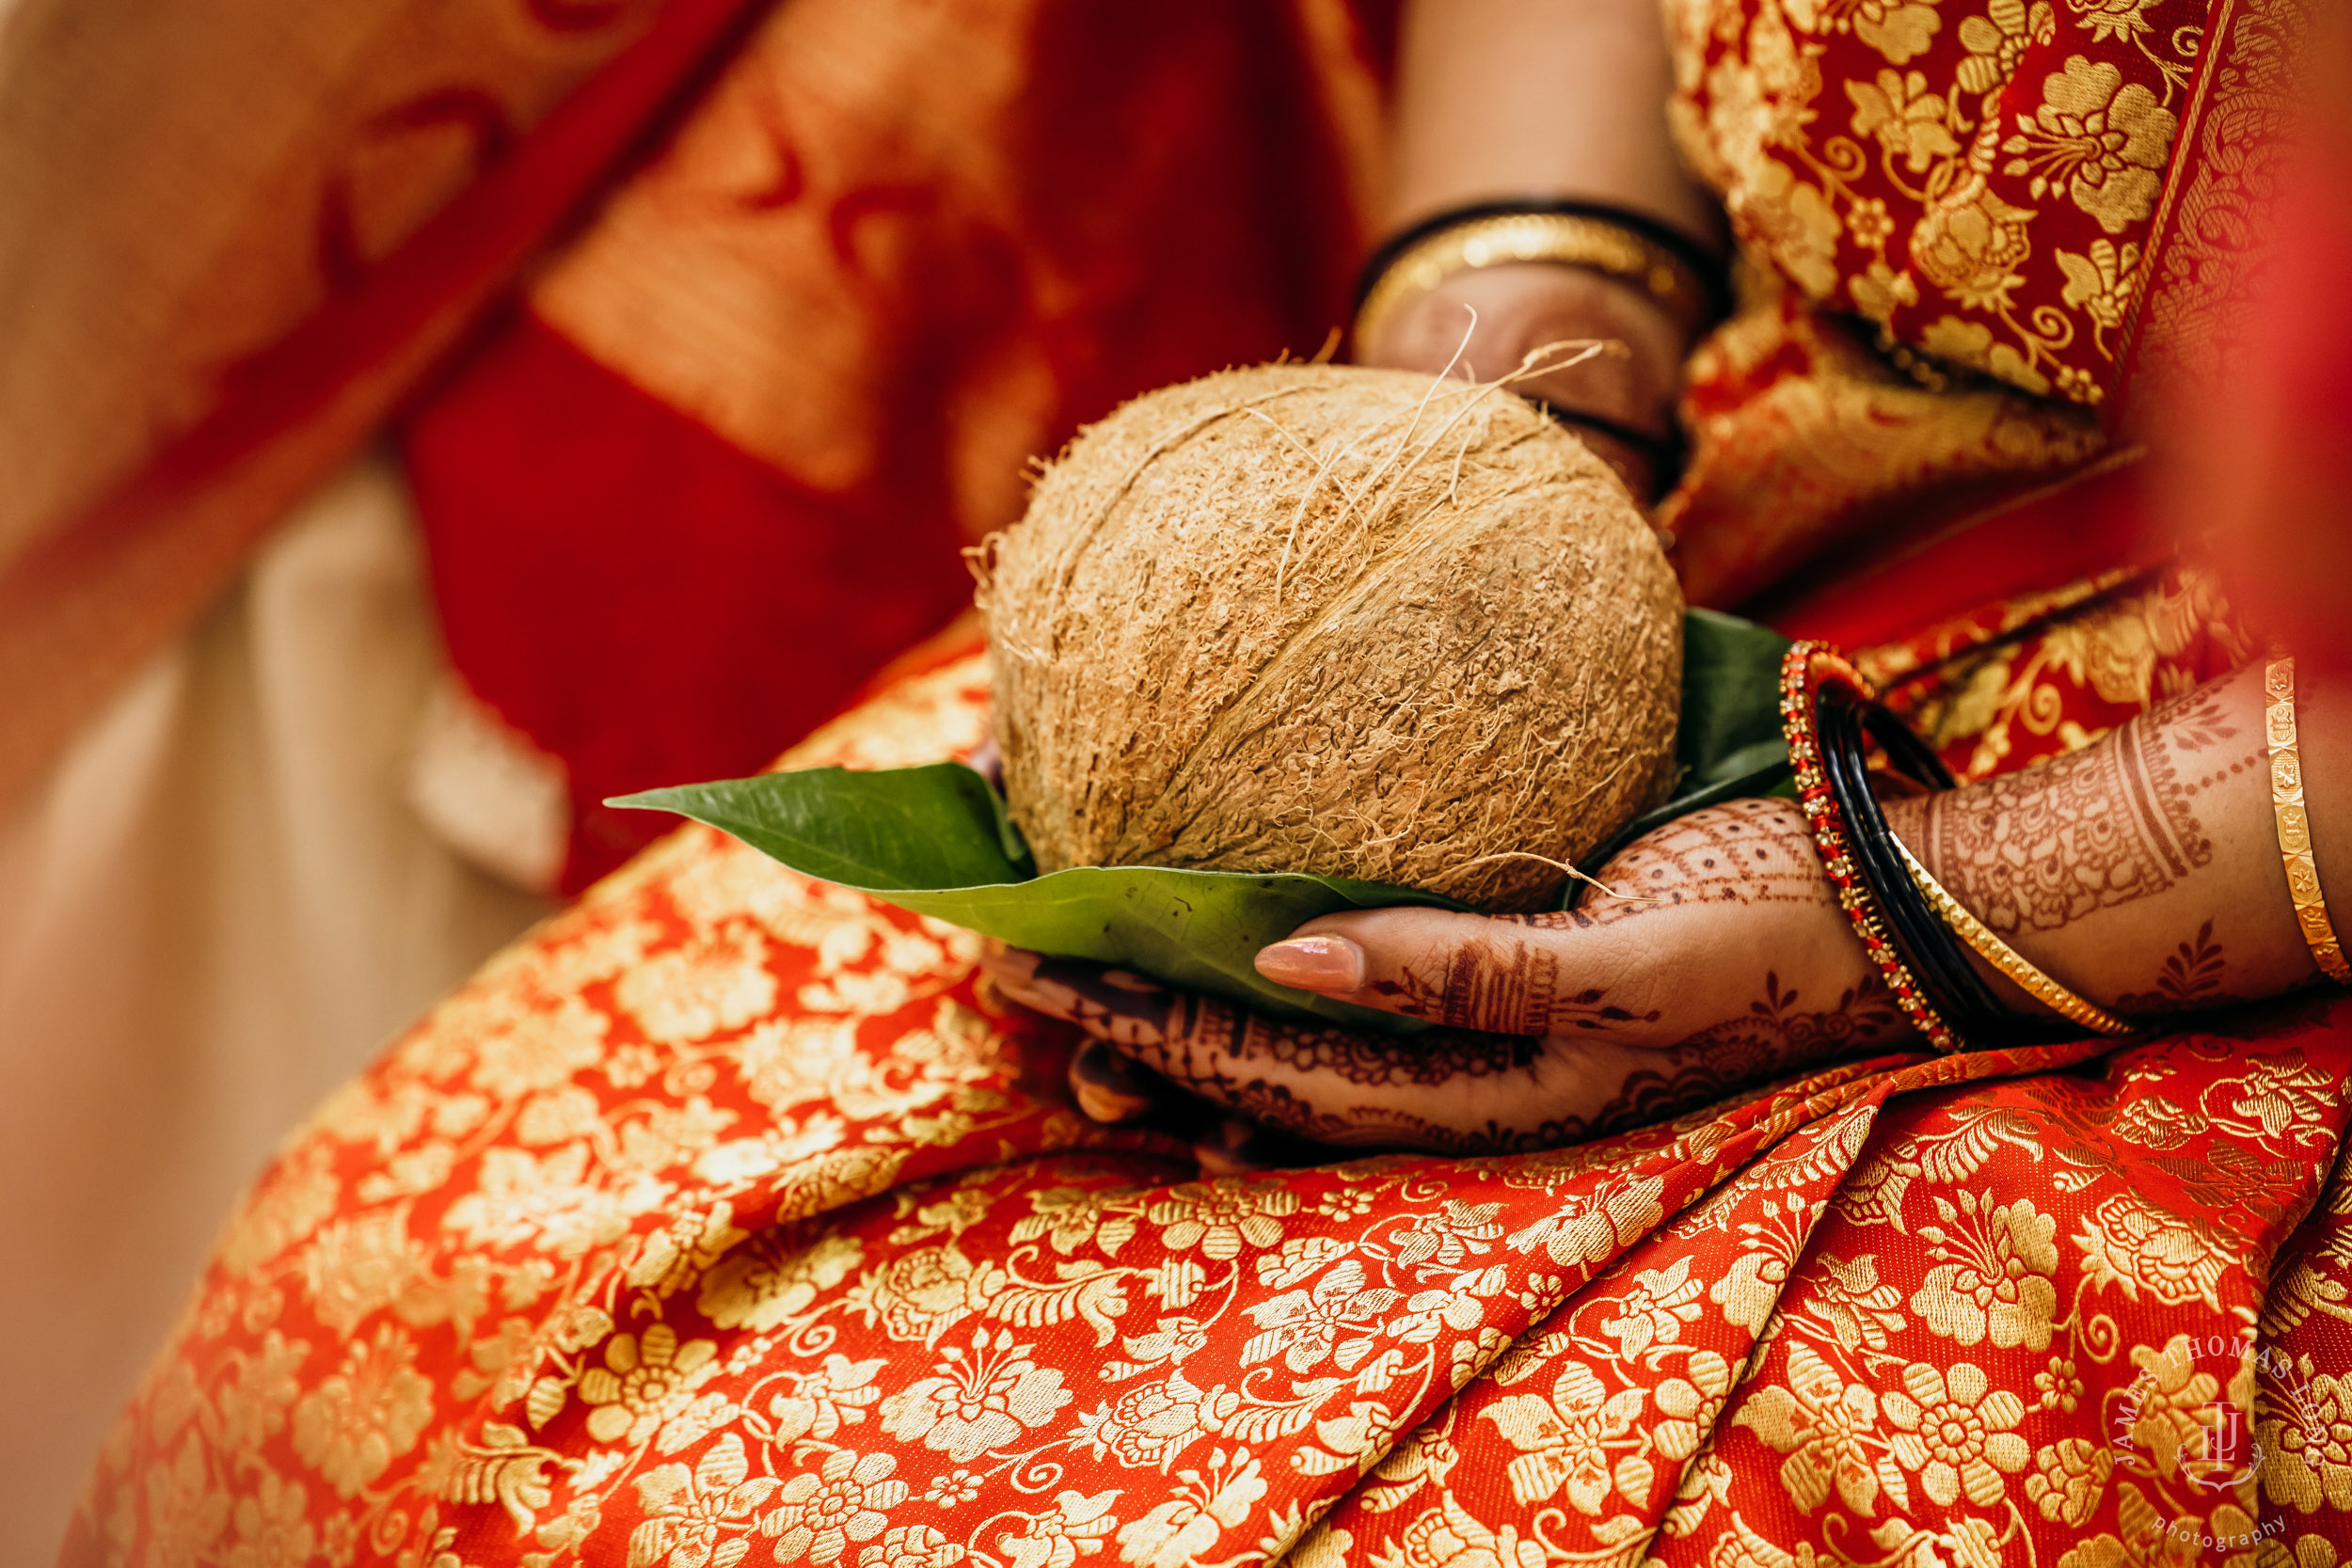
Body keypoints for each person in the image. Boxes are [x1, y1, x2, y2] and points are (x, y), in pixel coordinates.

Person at [59, 0, 2352, 1565]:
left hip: (2262, 830)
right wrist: (1499, 404)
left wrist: (1925, 907)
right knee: (404, 1288)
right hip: (1727, 496)